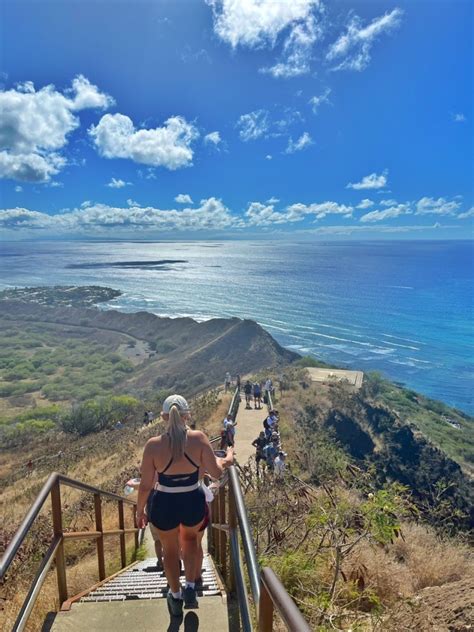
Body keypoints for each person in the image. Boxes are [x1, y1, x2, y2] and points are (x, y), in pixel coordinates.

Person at [137, 394, 233, 617]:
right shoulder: (198, 439)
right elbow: (217, 473)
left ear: (163, 417)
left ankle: (175, 595)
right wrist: (224, 459)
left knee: (170, 550)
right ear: (187, 415)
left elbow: (145, 485)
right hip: (192, 500)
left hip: (164, 502)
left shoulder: (153, 445)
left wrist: (140, 510)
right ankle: (190, 587)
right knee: (191, 543)